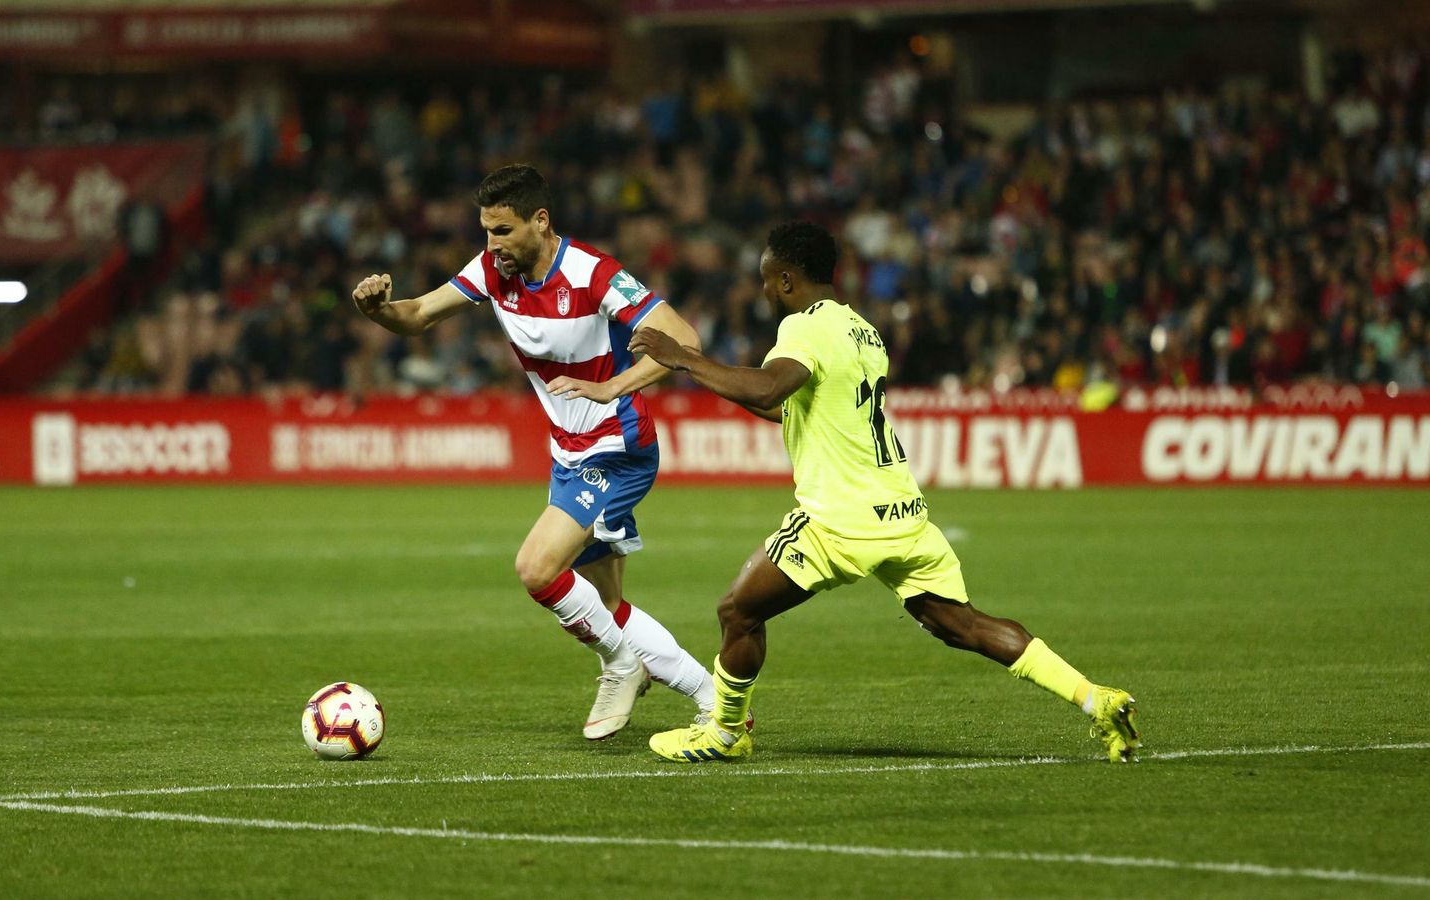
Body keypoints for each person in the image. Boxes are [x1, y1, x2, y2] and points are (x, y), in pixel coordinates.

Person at [629, 221, 1140, 763]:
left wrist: (684, 358)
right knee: (962, 623)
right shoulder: (861, 330)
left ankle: (724, 732)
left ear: (784, 280)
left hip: (841, 521)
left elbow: (769, 384)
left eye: (764, 280)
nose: (761, 291)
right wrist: (713, 378)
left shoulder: (803, 328)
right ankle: (1095, 699)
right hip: (902, 512)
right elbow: (784, 405)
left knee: (738, 611)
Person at [351, 164, 716, 739]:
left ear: (540, 222)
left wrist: (612, 386)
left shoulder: (595, 274)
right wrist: (377, 311)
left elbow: (686, 341)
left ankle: (621, 665)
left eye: (501, 230)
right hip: (568, 452)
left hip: (617, 447)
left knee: (537, 567)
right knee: (609, 607)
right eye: (485, 231)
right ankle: (717, 701)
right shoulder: (494, 273)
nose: (491, 244)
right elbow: (418, 314)